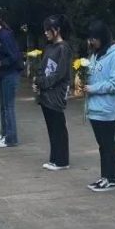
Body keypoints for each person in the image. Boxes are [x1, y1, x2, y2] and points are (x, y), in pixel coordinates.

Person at [83, 20, 115, 192]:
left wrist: (93, 88)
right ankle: (105, 176)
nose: (92, 42)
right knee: (103, 145)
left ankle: (110, 179)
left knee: (107, 144)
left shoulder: (114, 56)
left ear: (103, 37)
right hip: (94, 107)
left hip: (106, 108)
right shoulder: (95, 55)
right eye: (90, 38)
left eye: (95, 38)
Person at [34, 14, 74, 170]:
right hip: (45, 92)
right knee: (51, 127)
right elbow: (42, 67)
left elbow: (60, 73)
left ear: (56, 30)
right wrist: (38, 80)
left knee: (58, 127)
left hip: (56, 93)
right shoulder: (49, 47)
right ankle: (54, 158)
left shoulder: (64, 48)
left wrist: (43, 82)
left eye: (48, 30)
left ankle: (62, 160)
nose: (45, 33)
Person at [0, 13, 23, 148]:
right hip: (2, 74)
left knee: (8, 107)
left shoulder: (6, 35)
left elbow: (14, 56)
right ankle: (5, 134)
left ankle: (11, 138)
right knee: (3, 106)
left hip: (10, 74)